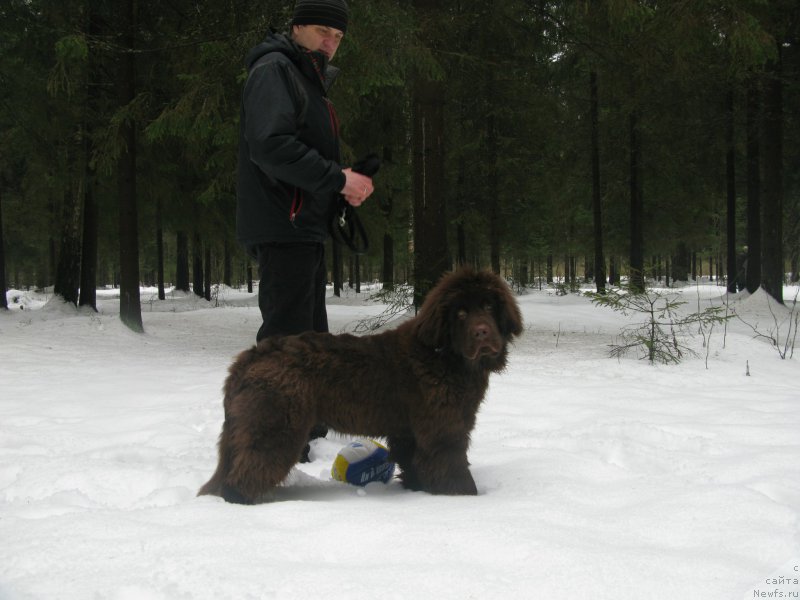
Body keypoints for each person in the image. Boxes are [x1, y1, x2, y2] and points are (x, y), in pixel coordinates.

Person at [236, 0, 374, 459]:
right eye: (321, 32)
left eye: (338, 37)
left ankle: (303, 437)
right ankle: (269, 440)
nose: (330, 43)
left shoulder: (306, 79)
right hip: (283, 224)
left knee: (310, 342)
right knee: (287, 343)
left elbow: (296, 154)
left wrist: (342, 184)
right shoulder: (275, 69)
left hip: (304, 226)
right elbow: (270, 146)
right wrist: (336, 178)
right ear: (297, 28)